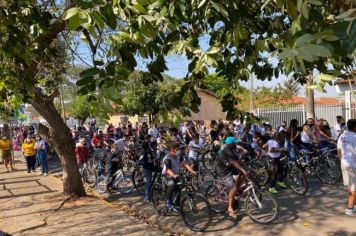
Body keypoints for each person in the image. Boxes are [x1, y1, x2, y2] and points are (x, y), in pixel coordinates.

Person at [216, 136, 249, 219]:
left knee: (242, 174)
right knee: (233, 187)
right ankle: (230, 207)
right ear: (231, 144)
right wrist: (244, 170)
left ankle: (236, 190)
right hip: (223, 170)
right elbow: (234, 162)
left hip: (229, 168)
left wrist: (247, 168)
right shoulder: (227, 150)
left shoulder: (232, 150)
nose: (236, 144)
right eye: (235, 143)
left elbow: (238, 160)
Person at [162, 143, 196, 212]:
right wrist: (174, 175)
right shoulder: (167, 158)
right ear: (172, 150)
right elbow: (168, 170)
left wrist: (192, 170)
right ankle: (169, 202)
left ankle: (177, 204)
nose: (178, 151)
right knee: (172, 184)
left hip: (176, 174)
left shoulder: (178, 155)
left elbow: (184, 163)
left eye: (178, 149)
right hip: (167, 175)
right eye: (177, 149)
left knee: (179, 187)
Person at [337, 119, 356, 215]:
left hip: (344, 163)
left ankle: (354, 205)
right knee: (353, 187)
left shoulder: (342, 135)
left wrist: (342, 160)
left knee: (350, 185)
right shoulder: (355, 136)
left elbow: (339, 150)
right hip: (353, 165)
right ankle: (350, 208)